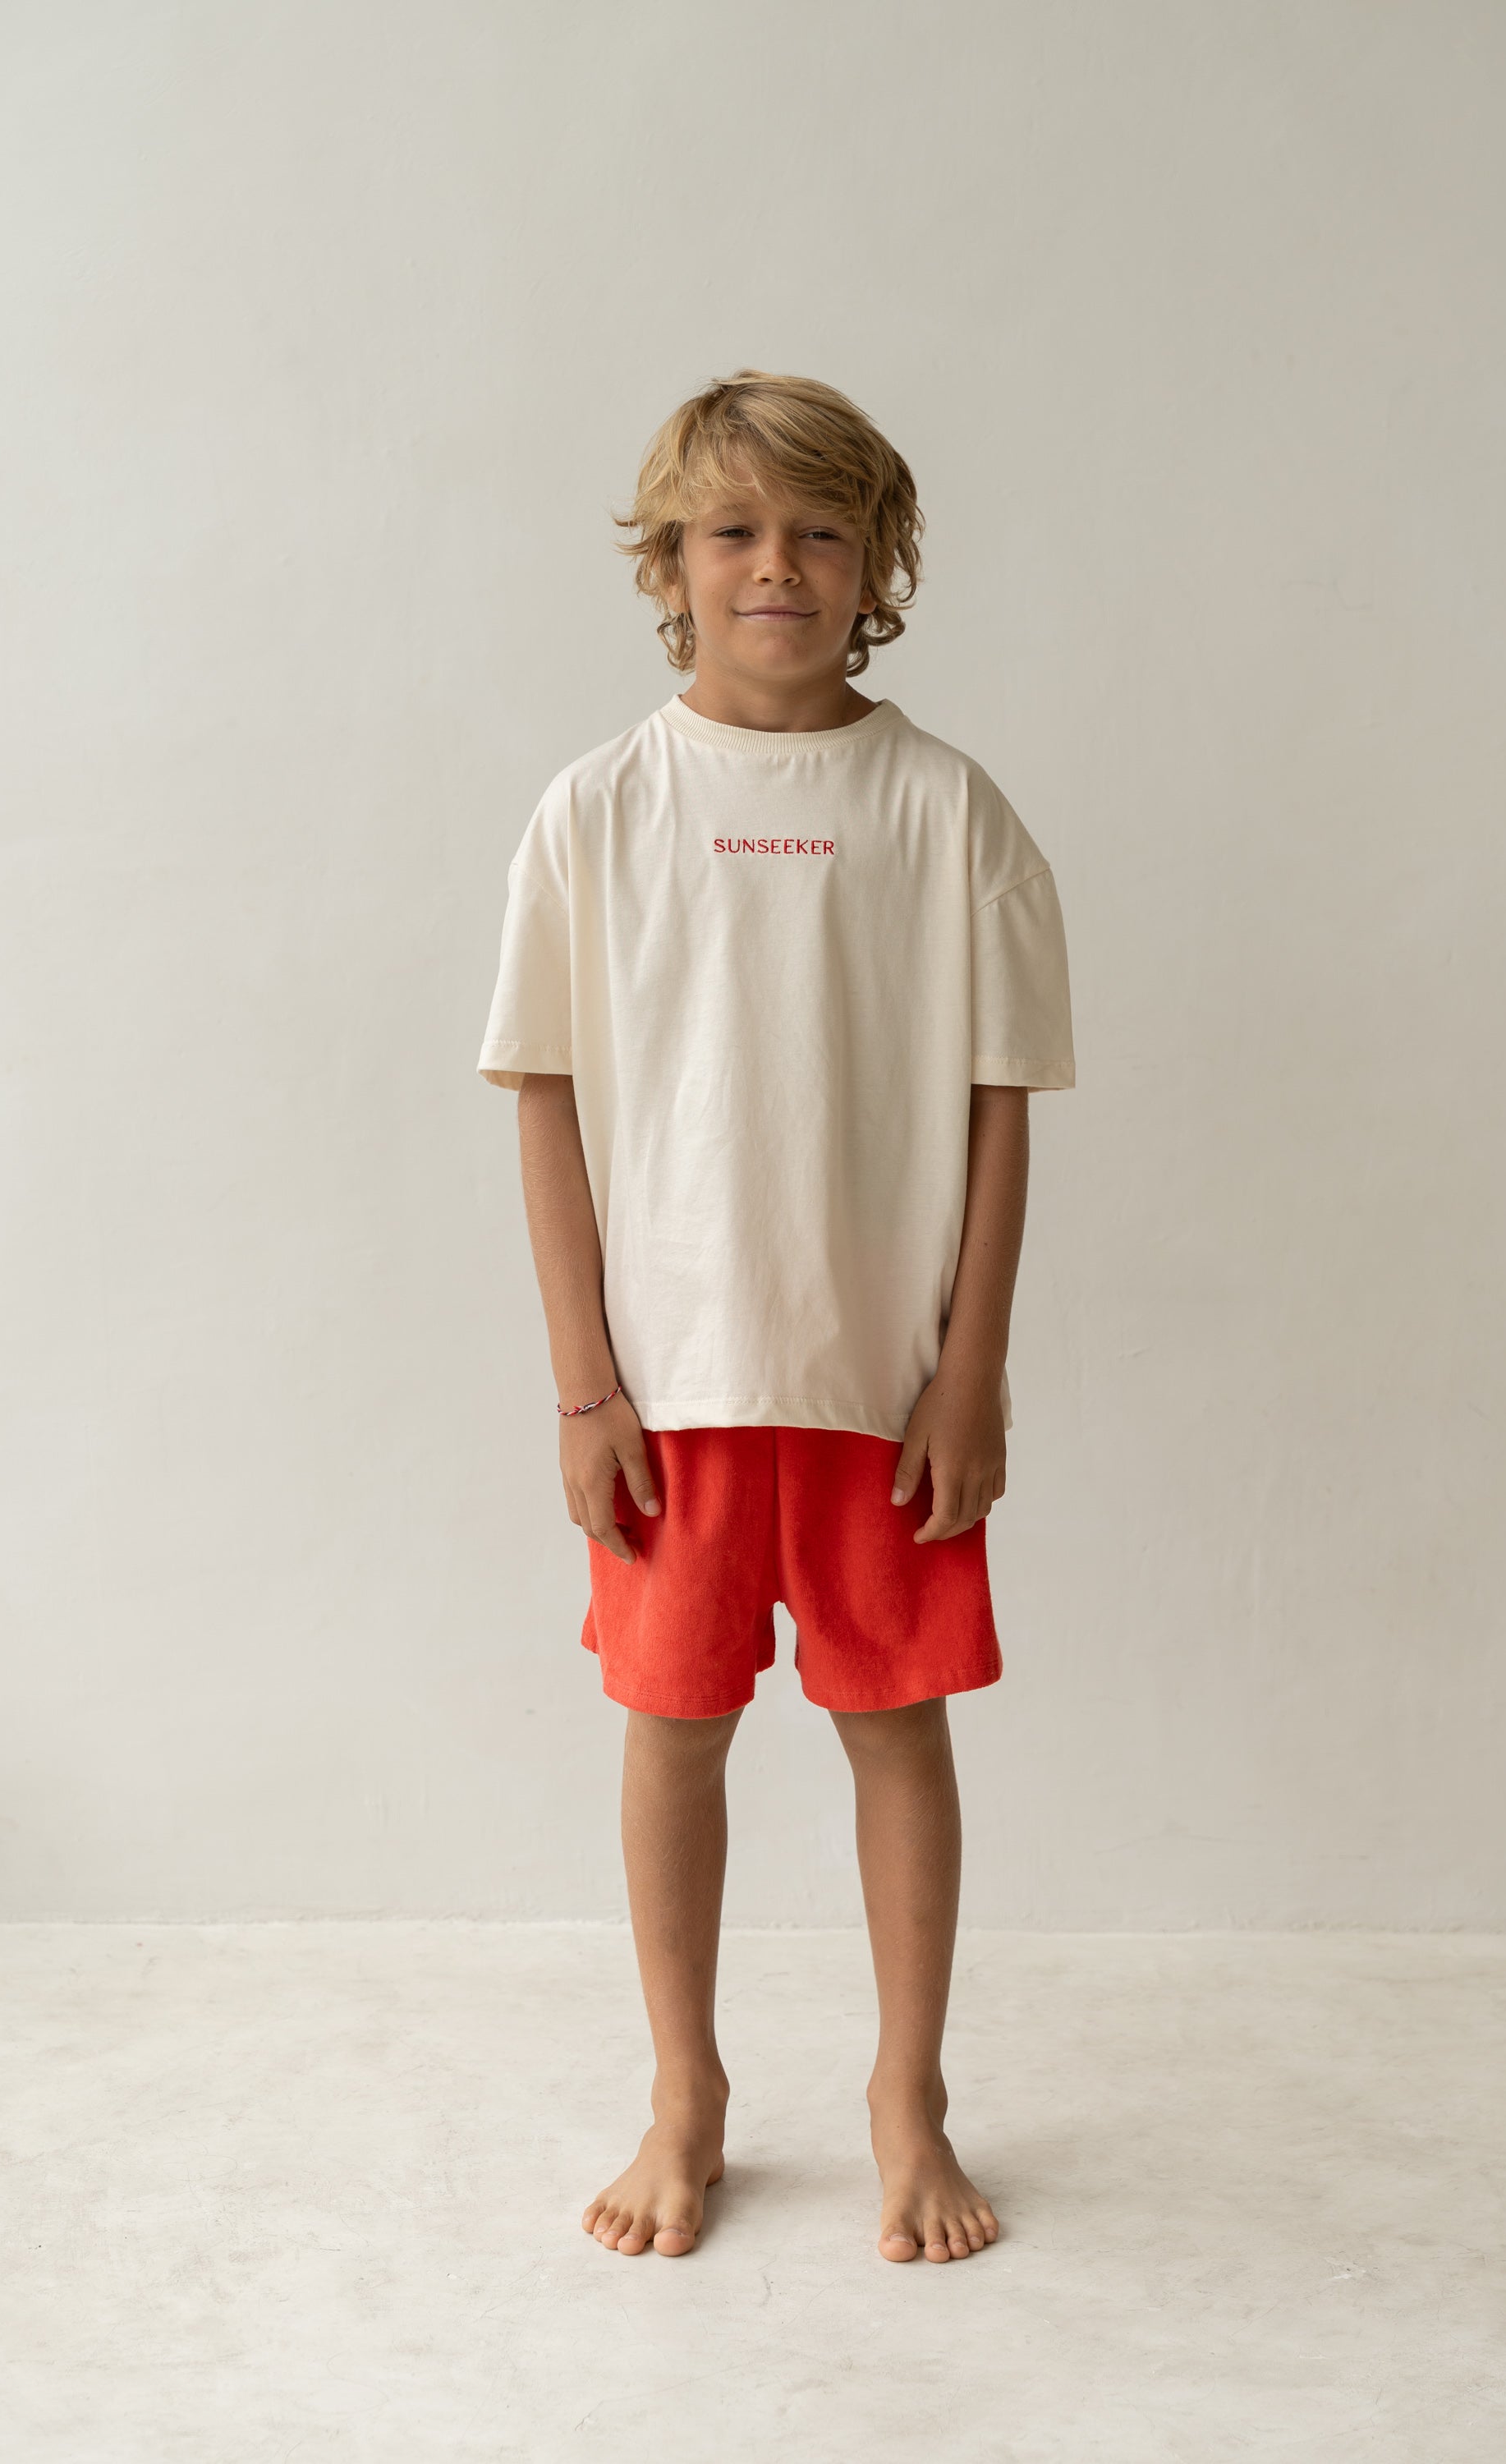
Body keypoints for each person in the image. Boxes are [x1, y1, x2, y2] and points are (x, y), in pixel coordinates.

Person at [477, 369, 1074, 2265]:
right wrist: (585, 1386)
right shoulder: (595, 813)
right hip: (671, 1386)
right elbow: (546, 1101)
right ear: (668, 563)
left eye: (820, 532)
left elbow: (995, 1109)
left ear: (876, 561)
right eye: (734, 532)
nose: (777, 567)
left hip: (880, 1388)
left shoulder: (948, 813)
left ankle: (909, 2099)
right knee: (671, 1734)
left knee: (896, 1727)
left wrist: (967, 1367)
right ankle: (688, 2095)